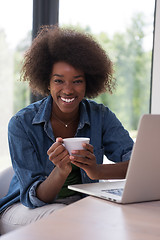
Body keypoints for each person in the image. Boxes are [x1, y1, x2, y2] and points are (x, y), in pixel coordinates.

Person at [0, 26, 134, 234]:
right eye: (59, 81)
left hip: (77, 206)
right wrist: (61, 171)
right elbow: (36, 199)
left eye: (77, 81)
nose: (68, 90)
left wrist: (97, 171)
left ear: (88, 82)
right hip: (22, 208)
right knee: (64, 217)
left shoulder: (100, 116)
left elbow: (138, 164)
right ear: (47, 82)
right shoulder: (21, 124)